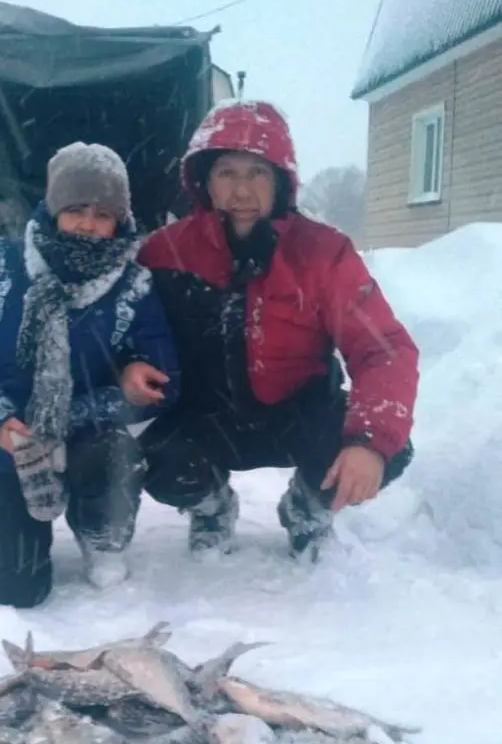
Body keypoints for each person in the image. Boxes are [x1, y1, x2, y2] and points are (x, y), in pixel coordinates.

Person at [136, 100, 419, 561]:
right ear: (204, 180)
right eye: (227, 172)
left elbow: (382, 349)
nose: (242, 190)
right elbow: (121, 331)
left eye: (258, 173)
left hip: (297, 413)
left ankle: (307, 506)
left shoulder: (324, 253)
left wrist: (370, 441)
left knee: (386, 446)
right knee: (152, 460)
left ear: (281, 182)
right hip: (207, 419)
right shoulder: (164, 252)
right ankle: (211, 508)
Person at [0, 141, 179, 607]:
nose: (88, 224)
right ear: (52, 209)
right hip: (5, 442)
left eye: (103, 214)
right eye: (76, 208)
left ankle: (99, 535)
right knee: (13, 591)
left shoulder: (134, 284)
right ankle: (23, 522)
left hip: (85, 435)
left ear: (120, 221)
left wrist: (127, 382)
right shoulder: (1, 265)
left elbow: (169, 378)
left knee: (114, 454)